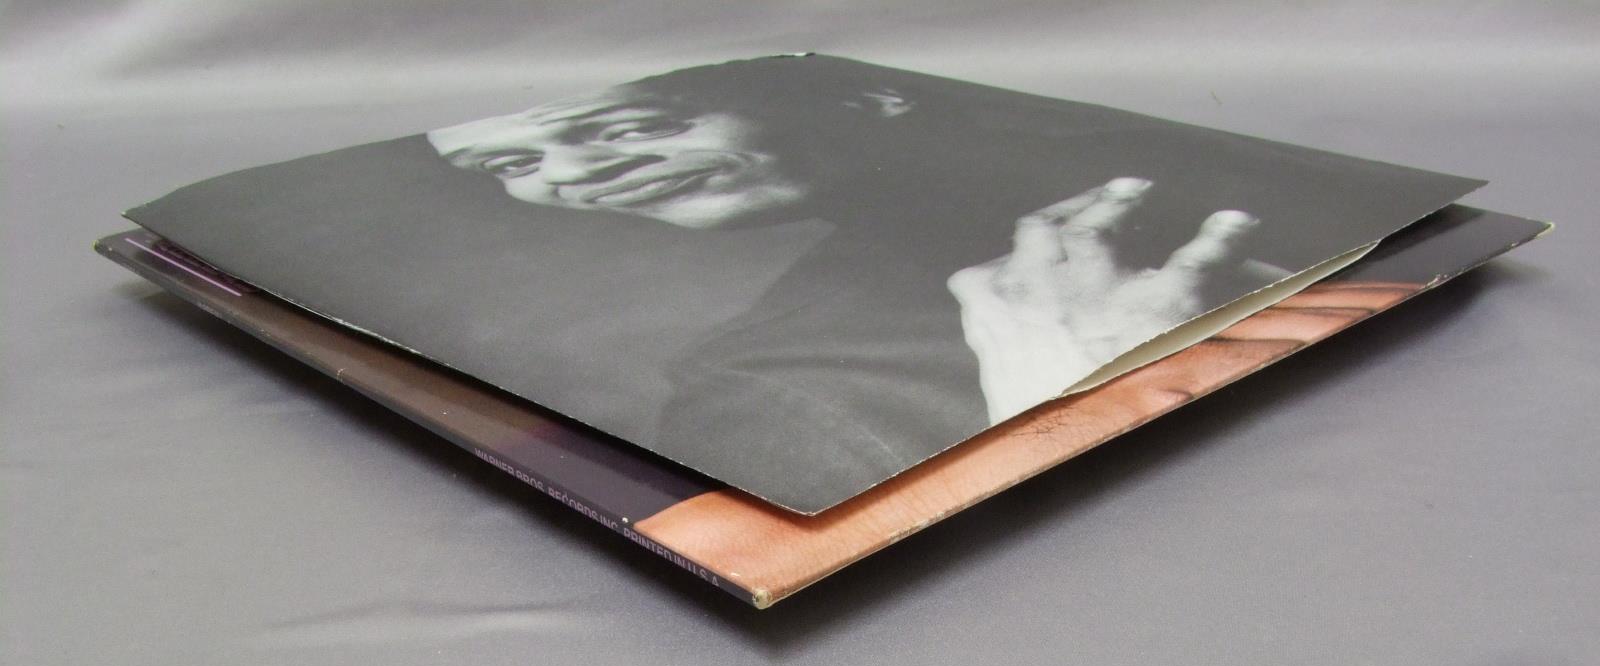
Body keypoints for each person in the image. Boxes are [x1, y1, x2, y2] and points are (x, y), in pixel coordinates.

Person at [425, 55, 1466, 511]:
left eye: (624, 126)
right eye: (509, 163)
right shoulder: (773, 383)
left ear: (866, 102)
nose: (576, 175)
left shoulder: (785, 378)